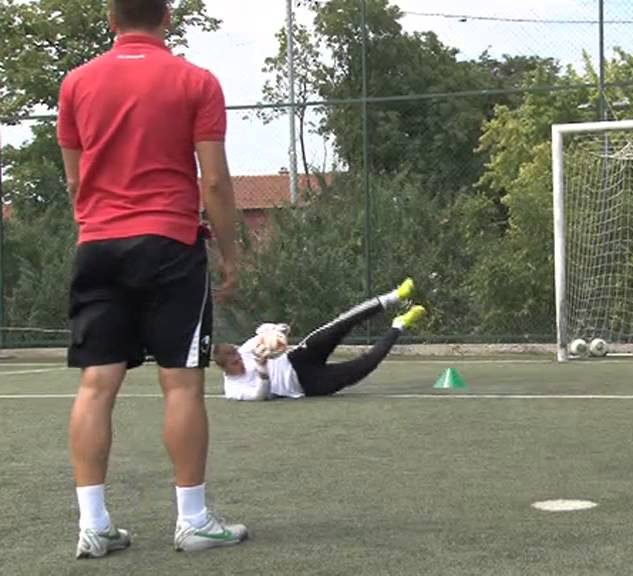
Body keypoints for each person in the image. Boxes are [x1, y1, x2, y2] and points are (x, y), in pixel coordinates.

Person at [57, 0, 245, 558]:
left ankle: (94, 526)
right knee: (182, 383)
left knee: (96, 385)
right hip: (170, 246)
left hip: (97, 245)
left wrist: (98, 226)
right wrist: (230, 253)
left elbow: (74, 183)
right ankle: (192, 521)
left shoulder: (75, 85)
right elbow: (213, 181)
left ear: (112, 20)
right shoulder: (196, 81)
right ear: (168, 18)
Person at [213, 279, 424, 401]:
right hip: (307, 385)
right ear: (224, 369)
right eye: (235, 363)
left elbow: (273, 332)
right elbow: (260, 396)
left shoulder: (247, 349)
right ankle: (399, 324)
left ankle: (396, 295)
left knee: (341, 324)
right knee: (364, 365)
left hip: (298, 358)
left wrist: (277, 332)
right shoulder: (233, 390)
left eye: (238, 356)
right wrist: (261, 368)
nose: (240, 361)